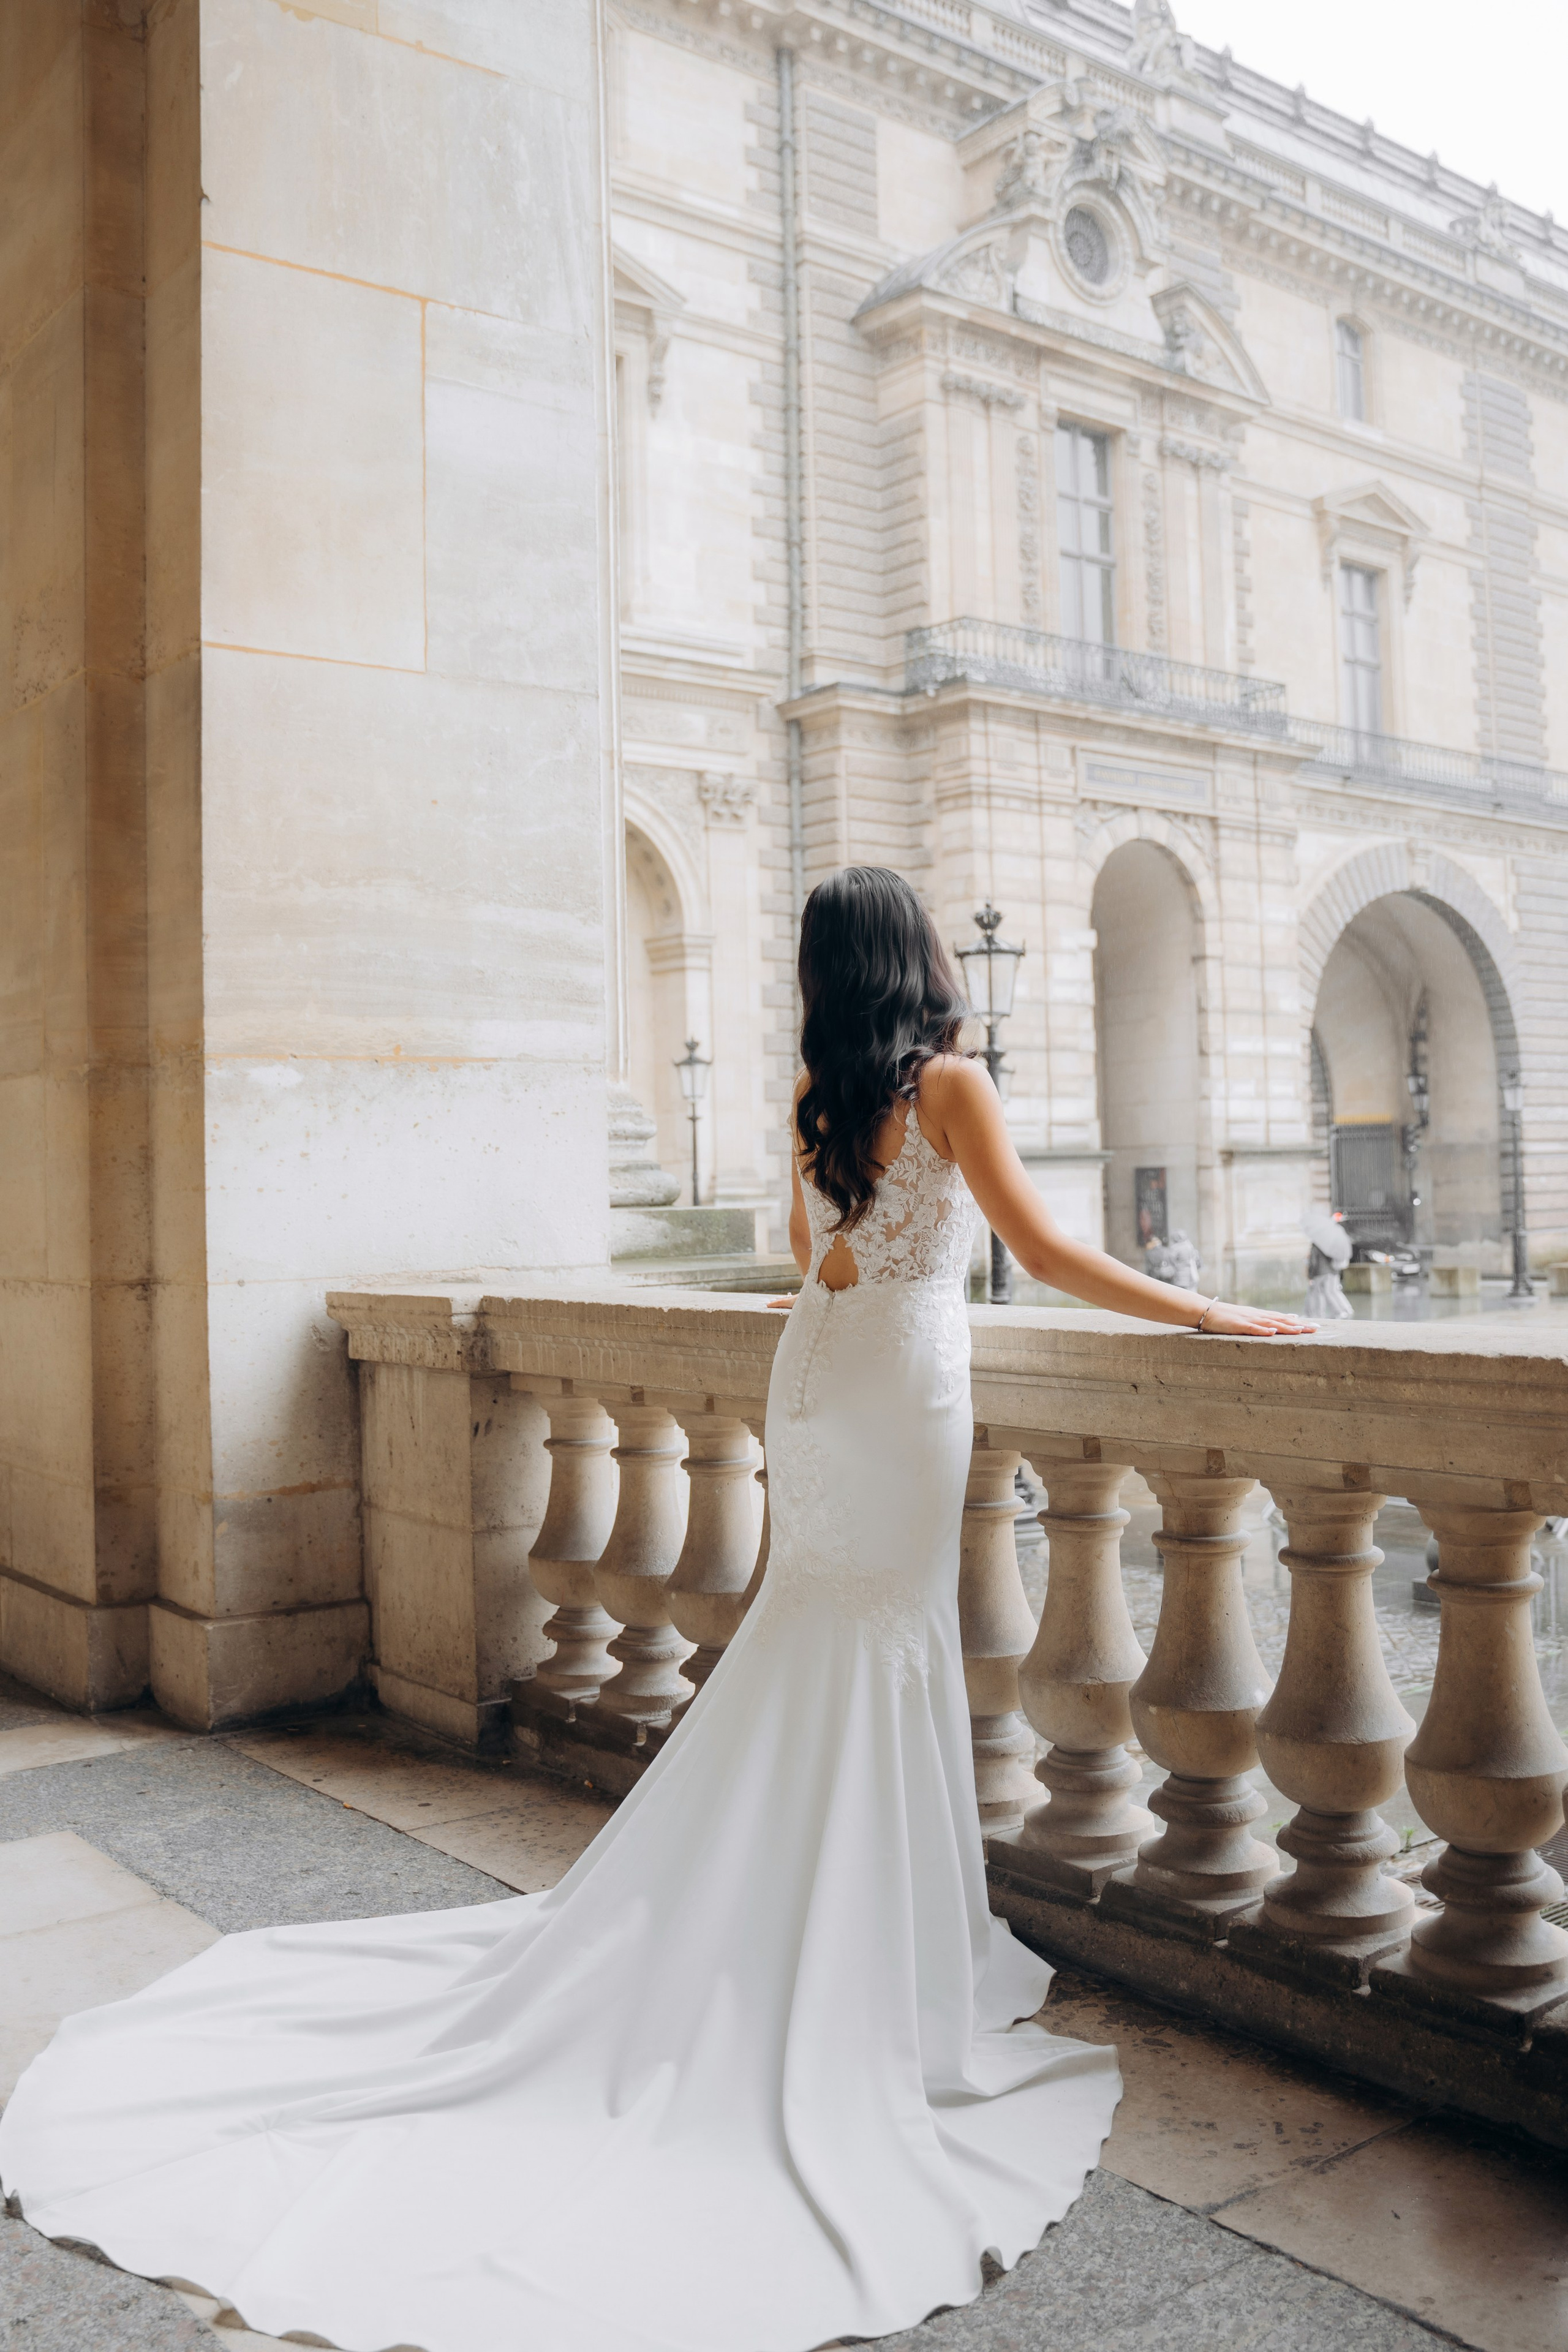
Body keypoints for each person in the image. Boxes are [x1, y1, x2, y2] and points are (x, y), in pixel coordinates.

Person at [0, 867, 1313, 2352]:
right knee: (879, 1649)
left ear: (826, 972)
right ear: (918, 958)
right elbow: (1044, 1252)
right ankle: (873, 1947)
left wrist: (832, 1301)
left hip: (819, 1378)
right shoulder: (951, 1084)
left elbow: (819, 1260)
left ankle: (829, 1923)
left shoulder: (819, 1090)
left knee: (823, 1641)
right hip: (893, 1393)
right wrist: (1213, 1312)